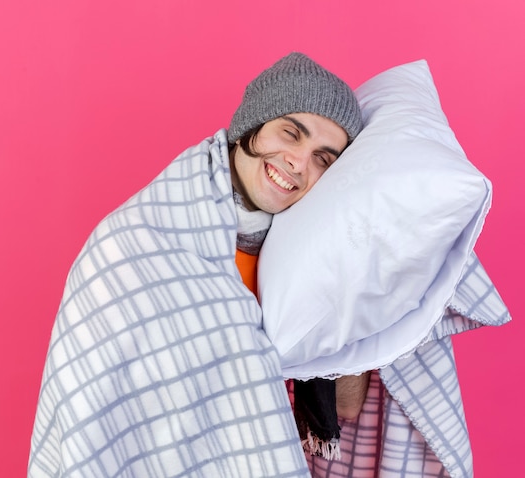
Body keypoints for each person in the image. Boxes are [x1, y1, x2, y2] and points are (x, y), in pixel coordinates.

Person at [27, 52, 365, 477]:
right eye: (290, 133)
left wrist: (356, 267)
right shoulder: (133, 246)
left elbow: (346, 406)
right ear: (252, 124)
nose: (299, 162)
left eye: (324, 158)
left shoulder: (303, 255)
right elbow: (89, 427)